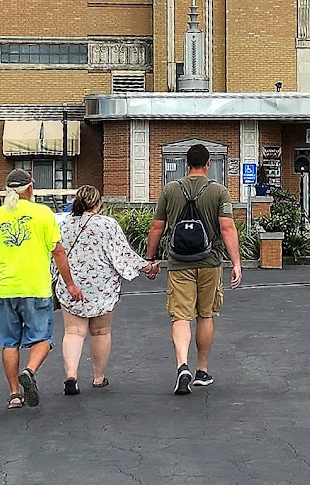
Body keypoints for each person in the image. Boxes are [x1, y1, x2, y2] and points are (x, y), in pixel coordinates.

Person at [0, 168, 84, 410]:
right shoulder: (43, 214)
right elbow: (57, 251)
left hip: (4, 289)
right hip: (36, 286)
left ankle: (15, 393)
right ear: (30, 188)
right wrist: (69, 283)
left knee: (9, 342)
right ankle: (30, 370)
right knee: (43, 337)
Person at [145, 143, 243, 394]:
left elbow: (157, 228)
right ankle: (202, 370)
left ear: (186, 164)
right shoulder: (219, 191)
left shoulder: (170, 190)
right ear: (208, 164)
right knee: (206, 315)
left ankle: (182, 365)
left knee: (181, 316)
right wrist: (236, 263)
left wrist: (151, 258)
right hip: (209, 262)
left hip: (179, 264)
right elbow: (227, 228)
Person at [54, 185, 158, 394]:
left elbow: (55, 253)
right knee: (101, 332)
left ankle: (71, 376)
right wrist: (148, 267)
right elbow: (123, 254)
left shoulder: (63, 224)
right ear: (98, 203)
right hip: (102, 286)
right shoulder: (107, 224)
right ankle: (98, 377)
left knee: (73, 332)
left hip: (71, 284)